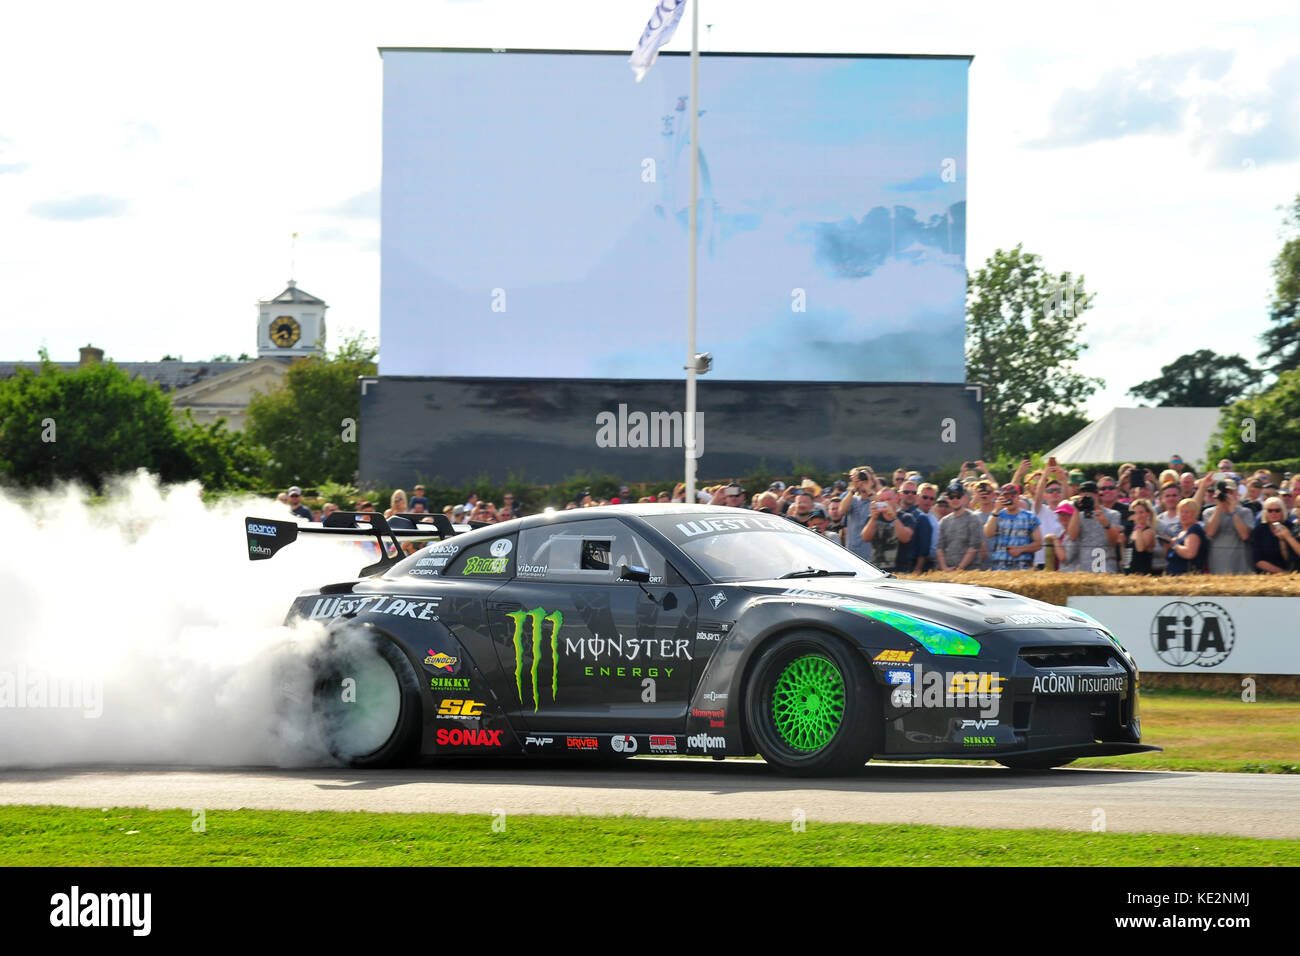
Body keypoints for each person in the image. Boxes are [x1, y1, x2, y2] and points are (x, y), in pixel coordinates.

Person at [1199, 478, 1255, 575]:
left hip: (1240, 564)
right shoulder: (1208, 512)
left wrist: (1233, 511)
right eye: (1224, 492)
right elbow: (1210, 532)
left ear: (1236, 493)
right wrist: (1219, 507)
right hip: (1217, 564)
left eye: (1230, 492)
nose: (1227, 495)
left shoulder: (1245, 512)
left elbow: (1245, 535)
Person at [983, 482, 1041, 571]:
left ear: (1018, 497)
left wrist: (1020, 549)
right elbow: (988, 534)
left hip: (1023, 569)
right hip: (999, 570)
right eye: (1006, 497)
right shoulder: (996, 515)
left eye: (1012, 496)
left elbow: (1039, 544)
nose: (1009, 499)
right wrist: (997, 510)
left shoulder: (1030, 517)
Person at [861, 487, 914, 572]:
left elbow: (905, 538)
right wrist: (873, 519)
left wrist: (893, 517)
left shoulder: (906, 517)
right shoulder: (872, 518)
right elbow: (865, 538)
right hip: (876, 570)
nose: (885, 503)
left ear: (896, 499)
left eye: (888, 499)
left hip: (900, 570)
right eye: (882, 500)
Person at [936, 485, 982, 572]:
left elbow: (974, 547)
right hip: (948, 571)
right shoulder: (944, 521)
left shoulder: (973, 518)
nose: (955, 500)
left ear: (964, 497)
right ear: (947, 498)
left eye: (958, 496)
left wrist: (959, 569)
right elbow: (939, 548)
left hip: (969, 572)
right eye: (951, 497)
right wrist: (944, 568)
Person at [1251, 497, 1299, 573]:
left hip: (1291, 571)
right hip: (1266, 575)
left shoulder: (1291, 527)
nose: (1273, 514)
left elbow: (1291, 557)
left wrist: (1283, 540)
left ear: (1283, 511)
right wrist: (1282, 573)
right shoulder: (1259, 530)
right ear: (1265, 513)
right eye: (1270, 511)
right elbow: (1258, 560)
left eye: (1277, 510)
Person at [1165, 499, 1208, 576]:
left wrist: (1175, 545)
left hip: (1187, 577)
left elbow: (1189, 553)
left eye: (1187, 512)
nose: (1183, 515)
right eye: (1181, 512)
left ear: (1195, 514)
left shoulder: (1194, 530)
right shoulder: (1181, 532)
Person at [1126, 499, 1156, 575]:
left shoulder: (1149, 532)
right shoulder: (1132, 531)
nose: (1138, 516)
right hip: (1129, 572)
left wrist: (1138, 526)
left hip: (1142, 574)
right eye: (1135, 513)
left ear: (1148, 514)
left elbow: (1140, 548)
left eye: (1141, 512)